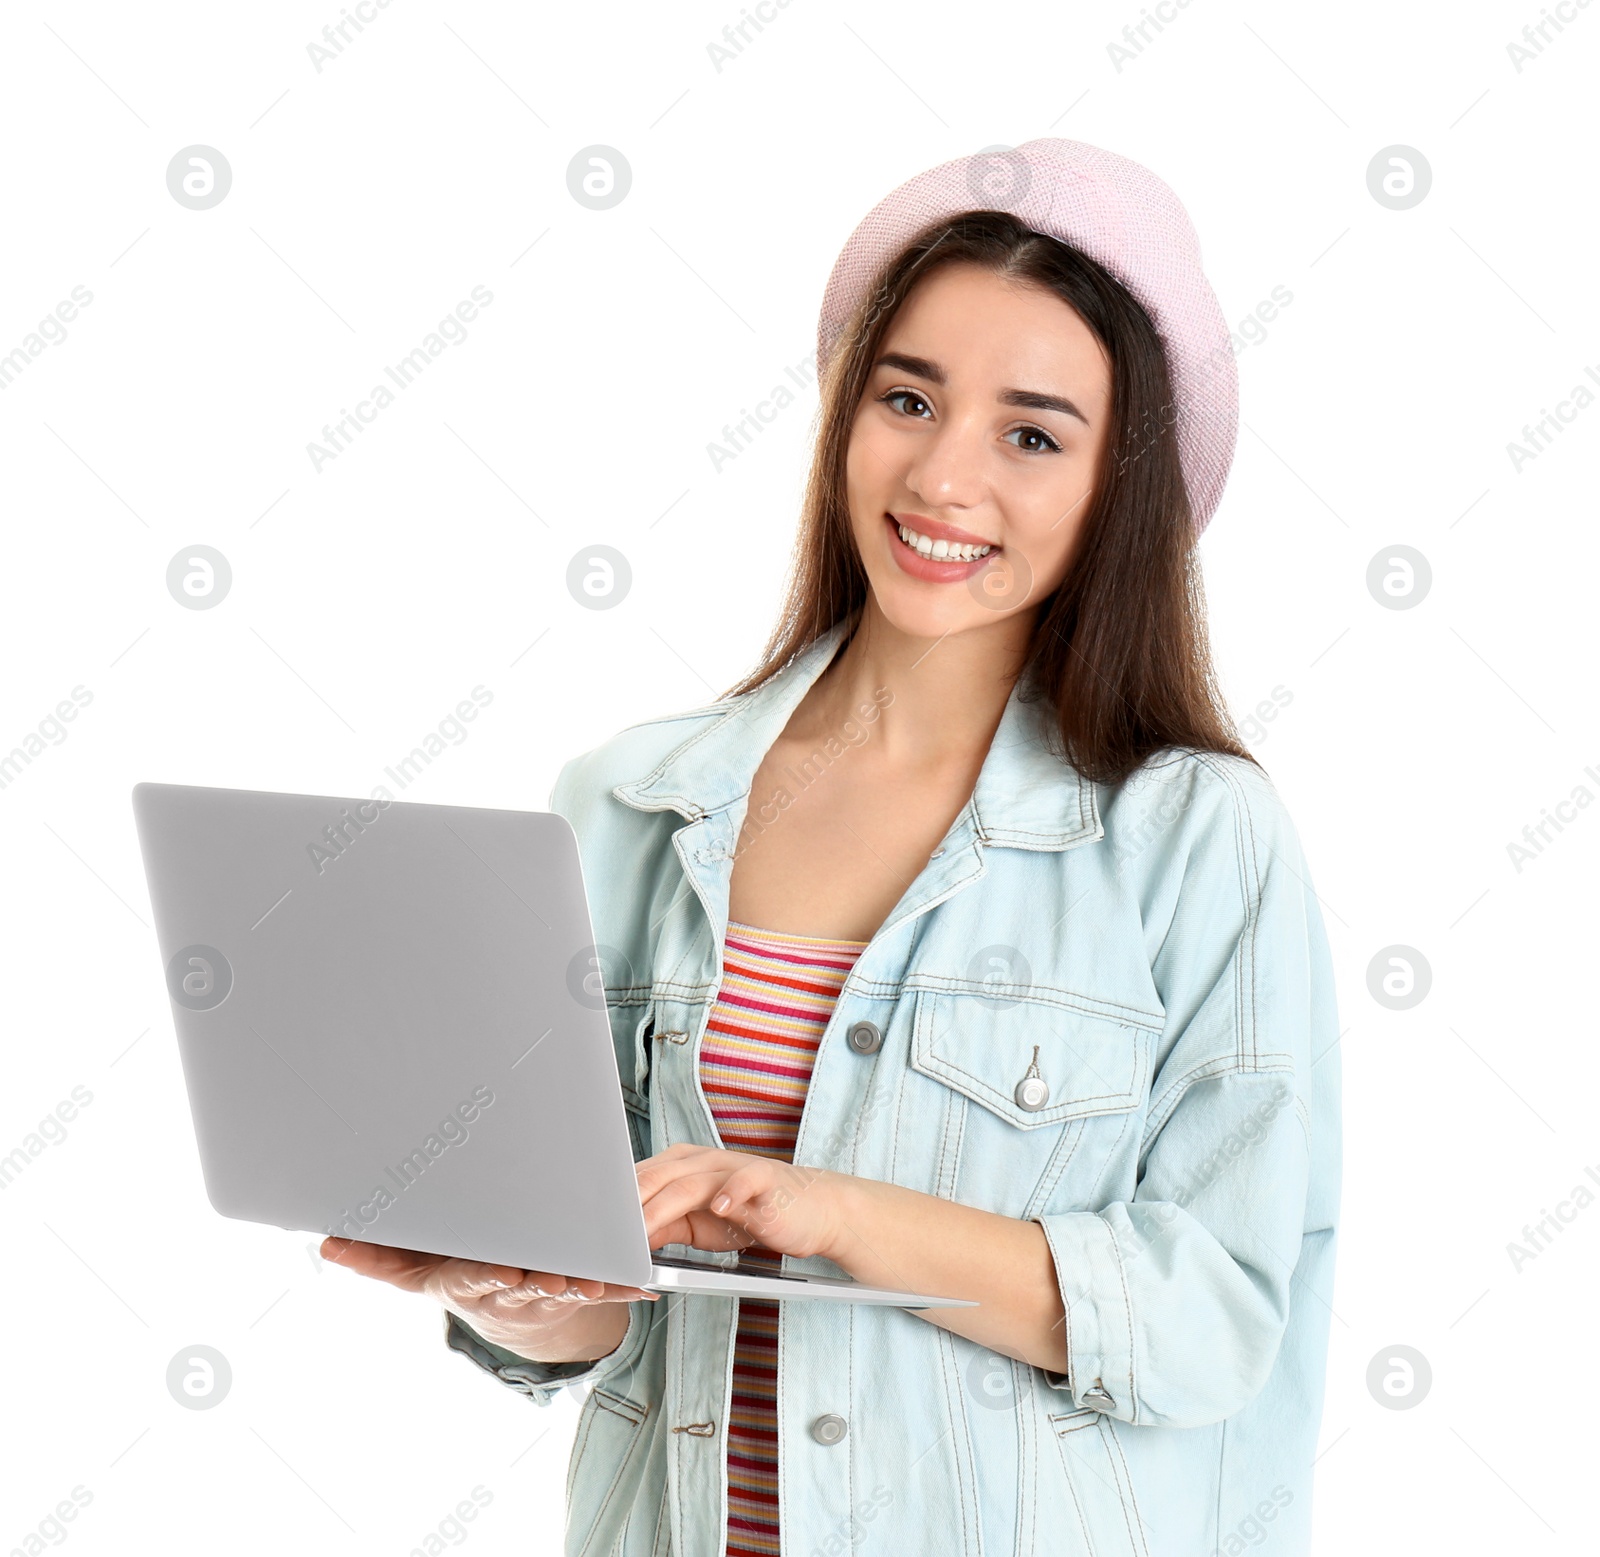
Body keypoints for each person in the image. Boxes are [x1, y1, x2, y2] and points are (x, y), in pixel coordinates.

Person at [323, 139, 1341, 1557]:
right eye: (907, 398)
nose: (942, 476)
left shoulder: (1195, 836)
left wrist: (839, 1212)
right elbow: (603, 1315)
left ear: (1119, 485)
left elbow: (1214, 1320)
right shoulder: (624, 803)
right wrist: (513, 1287)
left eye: (1032, 433)